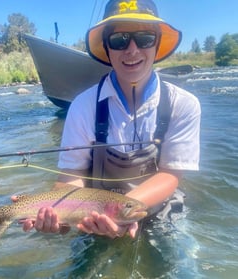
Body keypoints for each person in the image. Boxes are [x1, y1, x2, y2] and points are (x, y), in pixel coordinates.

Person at [20, 0, 201, 238]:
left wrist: (121, 209)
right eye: (119, 40)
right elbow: (71, 177)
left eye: (145, 38)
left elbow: (170, 174)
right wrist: (57, 216)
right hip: (95, 218)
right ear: (106, 47)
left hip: (160, 210)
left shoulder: (184, 104)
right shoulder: (82, 107)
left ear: (157, 43)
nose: (132, 50)